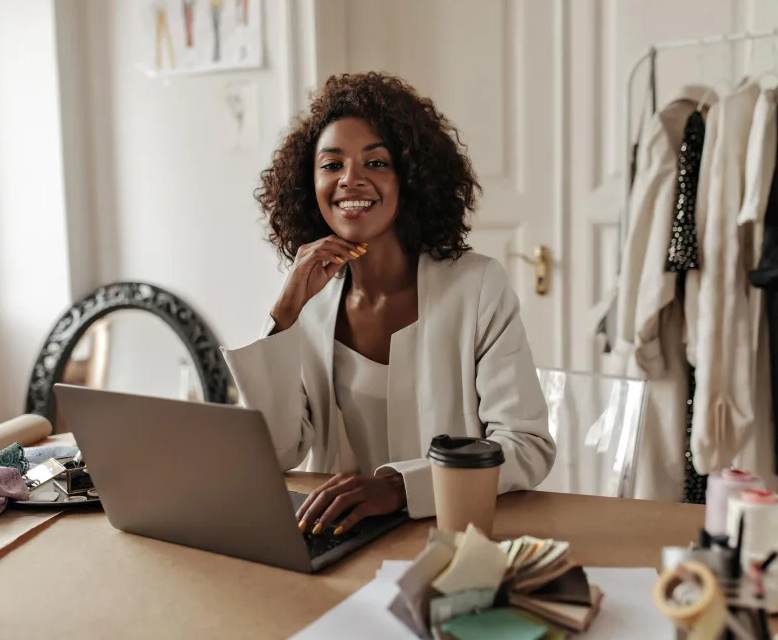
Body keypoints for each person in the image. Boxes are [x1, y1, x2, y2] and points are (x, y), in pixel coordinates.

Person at [222, 72, 554, 537]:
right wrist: (282, 318)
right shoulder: (311, 303)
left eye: (375, 162)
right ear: (309, 183)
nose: (350, 180)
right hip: (340, 540)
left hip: (454, 536)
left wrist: (400, 488)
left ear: (410, 178)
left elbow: (527, 445)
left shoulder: (476, 286)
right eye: (331, 164)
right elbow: (278, 453)